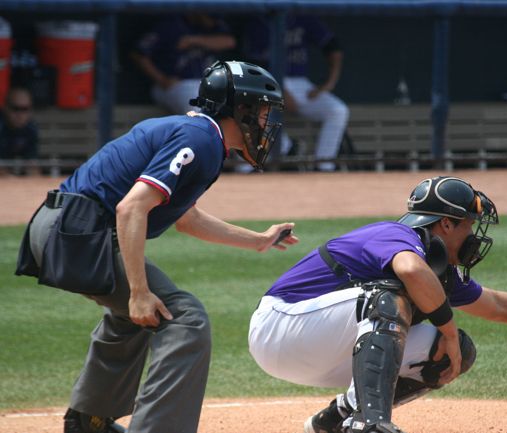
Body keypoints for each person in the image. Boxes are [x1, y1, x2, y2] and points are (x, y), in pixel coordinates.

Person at [16, 60, 298, 433]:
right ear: (240, 109)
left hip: (64, 229)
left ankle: (89, 422)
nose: (266, 124)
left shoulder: (199, 136)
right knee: (185, 318)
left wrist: (259, 240)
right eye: (262, 112)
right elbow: (131, 207)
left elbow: (188, 219)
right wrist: (138, 291)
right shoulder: (200, 140)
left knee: (136, 316)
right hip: (74, 235)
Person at [248, 176, 507, 433]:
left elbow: (496, 305)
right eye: (470, 225)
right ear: (447, 224)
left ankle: (336, 419)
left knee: (453, 354)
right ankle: (370, 423)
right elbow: (408, 269)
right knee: (389, 300)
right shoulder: (397, 237)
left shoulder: (438, 268)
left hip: (320, 347)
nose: (474, 235)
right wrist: (448, 329)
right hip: (281, 327)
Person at [245, 14, 349, 171]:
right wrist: (279, 89)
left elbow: (333, 48)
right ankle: (288, 147)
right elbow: (254, 65)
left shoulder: (304, 18)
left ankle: (324, 165)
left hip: (301, 84)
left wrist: (329, 83)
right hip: (267, 82)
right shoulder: (259, 21)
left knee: (338, 111)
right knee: (256, 111)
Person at [131, 13, 237, 114]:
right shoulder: (170, 25)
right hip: (176, 83)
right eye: (210, 17)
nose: (213, 21)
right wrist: (162, 79)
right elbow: (138, 54)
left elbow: (229, 41)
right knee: (199, 108)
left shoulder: (214, 26)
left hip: (205, 83)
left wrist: (193, 40)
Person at [0, 86, 39, 175]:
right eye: (15, 108)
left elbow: (32, 164)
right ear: (5, 108)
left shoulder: (31, 129)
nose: (19, 114)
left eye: (24, 109)